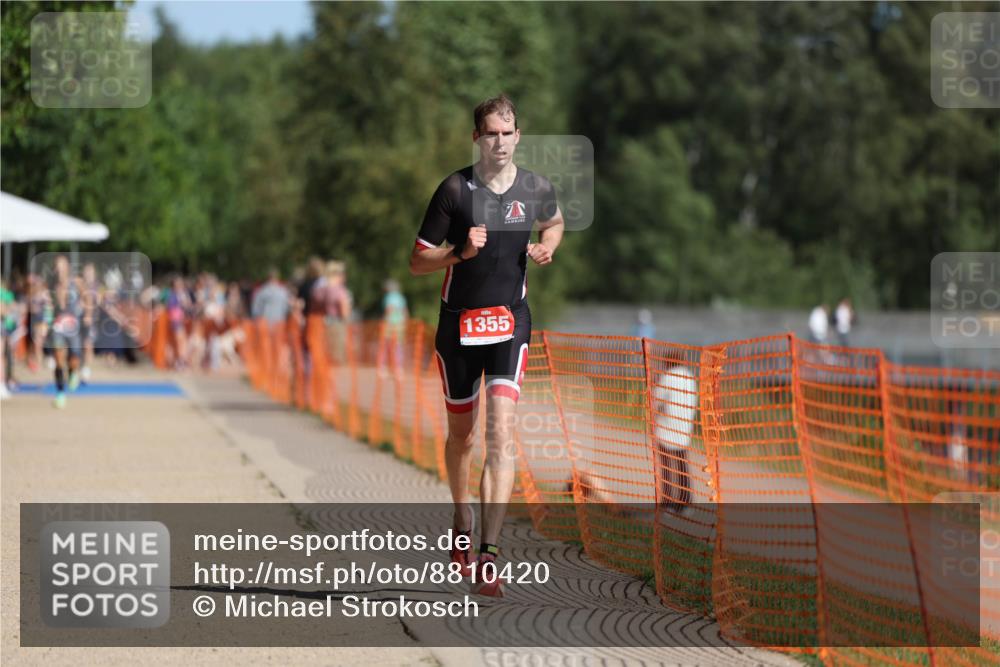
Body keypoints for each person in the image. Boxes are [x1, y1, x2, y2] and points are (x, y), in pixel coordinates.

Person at [409, 94, 564, 596]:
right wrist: (460, 252)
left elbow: (554, 221)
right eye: (491, 133)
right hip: (458, 327)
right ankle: (462, 517)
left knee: (500, 434)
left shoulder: (536, 187)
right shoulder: (455, 190)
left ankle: (489, 555)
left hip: (510, 323)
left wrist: (547, 246)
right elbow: (417, 261)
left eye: (507, 132)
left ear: (519, 136)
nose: (500, 142)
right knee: (463, 438)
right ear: (477, 137)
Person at [652, 362, 698, 513]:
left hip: (666, 429)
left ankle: (667, 503)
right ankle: (686, 502)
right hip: (684, 428)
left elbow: (655, 400)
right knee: (682, 467)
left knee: (666, 468)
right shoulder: (689, 376)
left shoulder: (668, 376)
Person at [47, 255, 83, 408]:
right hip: (58, 325)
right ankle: (60, 393)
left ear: (67, 267)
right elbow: (49, 306)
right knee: (58, 359)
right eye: (57, 266)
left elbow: (87, 297)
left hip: (73, 325)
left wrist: (86, 313)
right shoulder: (52, 286)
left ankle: (73, 372)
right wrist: (46, 322)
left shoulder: (77, 282)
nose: (60, 269)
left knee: (74, 358)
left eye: (62, 266)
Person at [379, 279, 408, 378]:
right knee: (398, 347)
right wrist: (405, 323)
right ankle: (398, 369)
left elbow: (389, 310)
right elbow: (405, 312)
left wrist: (384, 320)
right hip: (400, 325)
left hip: (390, 324)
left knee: (386, 346)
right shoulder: (401, 298)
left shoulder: (388, 297)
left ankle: (383, 368)